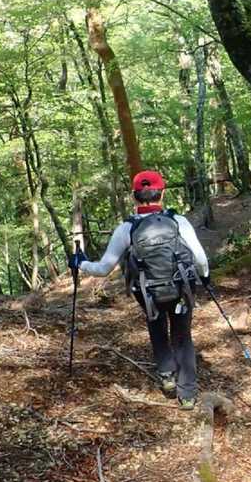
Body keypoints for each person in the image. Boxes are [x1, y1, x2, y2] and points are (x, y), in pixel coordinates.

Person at [70, 170, 210, 409]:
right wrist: (205, 277)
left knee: (156, 324)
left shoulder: (127, 228)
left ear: (134, 196)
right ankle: (187, 395)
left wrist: (80, 263)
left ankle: (167, 375)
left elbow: (104, 268)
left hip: (147, 291)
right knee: (182, 335)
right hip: (181, 287)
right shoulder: (179, 221)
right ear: (162, 193)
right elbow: (200, 258)